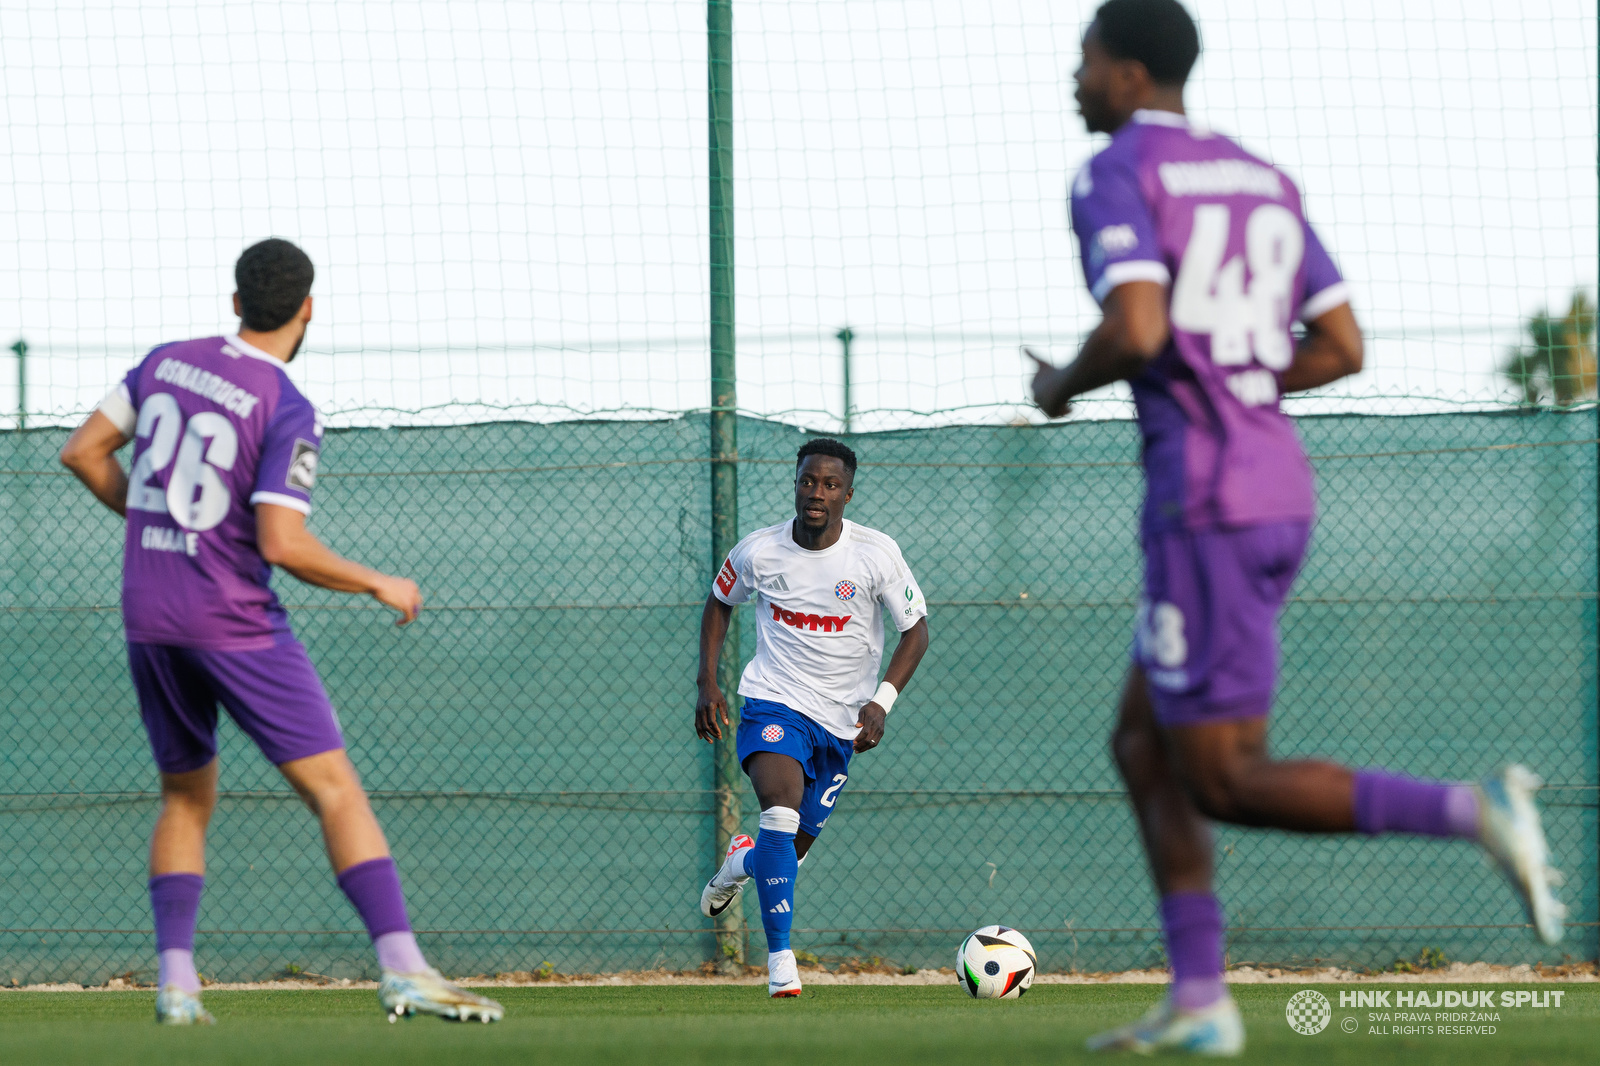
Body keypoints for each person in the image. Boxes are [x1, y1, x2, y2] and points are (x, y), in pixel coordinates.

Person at [1027, 1, 1563, 1054]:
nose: (1073, 77)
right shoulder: (1261, 176)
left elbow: (1135, 327)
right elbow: (1342, 342)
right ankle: (1198, 998)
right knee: (1140, 741)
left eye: (1084, 58)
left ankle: (1473, 809)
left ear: (1129, 74)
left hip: (1207, 503)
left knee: (1221, 774)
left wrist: (1056, 385)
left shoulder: (1112, 173)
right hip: (1273, 487)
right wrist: (1235, 372)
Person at [59, 238, 504, 1026]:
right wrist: (378, 579)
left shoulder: (162, 362)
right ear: (306, 310)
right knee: (335, 790)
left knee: (185, 798)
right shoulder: (285, 404)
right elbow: (281, 545)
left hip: (150, 615)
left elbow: (84, 451)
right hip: (232, 620)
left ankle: (176, 984)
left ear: (235, 302)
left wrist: (154, 522)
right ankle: (403, 968)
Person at [694, 438, 930, 998]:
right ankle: (780, 963)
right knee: (778, 813)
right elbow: (719, 599)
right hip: (773, 701)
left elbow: (915, 630)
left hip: (841, 722)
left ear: (848, 493)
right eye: (807, 481)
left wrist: (882, 702)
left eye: (829, 485)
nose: (816, 494)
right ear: (795, 484)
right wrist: (707, 681)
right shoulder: (759, 551)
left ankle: (741, 864)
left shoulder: (875, 554)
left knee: (786, 853)